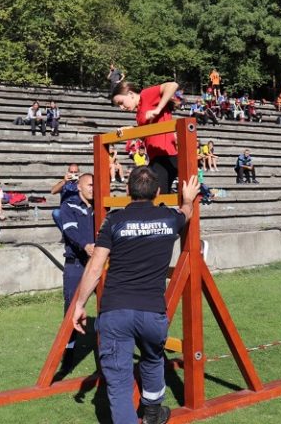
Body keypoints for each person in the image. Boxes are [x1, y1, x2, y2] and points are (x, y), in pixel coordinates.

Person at [71, 168, 199, 424]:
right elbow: (186, 213)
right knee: (152, 360)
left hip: (116, 311)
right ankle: (153, 413)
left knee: (118, 383)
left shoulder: (114, 220)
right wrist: (187, 199)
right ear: (158, 193)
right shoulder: (168, 217)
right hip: (152, 311)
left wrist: (79, 304)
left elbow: (95, 267)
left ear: (128, 191)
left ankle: (146, 414)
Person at [111, 81, 179, 193]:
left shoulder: (145, 95)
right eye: (119, 105)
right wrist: (131, 130)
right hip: (155, 158)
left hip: (166, 155)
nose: (122, 107)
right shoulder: (138, 114)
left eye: (121, 102)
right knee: (154, 197)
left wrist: (158, 109)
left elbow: (173, 85)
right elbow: (145, 136)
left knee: (154, 197)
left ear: (131, 94)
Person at [57, 173, 95, 374]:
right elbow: (71, 232)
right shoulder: (69, 206)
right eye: (89, 184)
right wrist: (85, 245)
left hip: (97, 264)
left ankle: (108, 351)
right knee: (71, 310)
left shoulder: (100, 207)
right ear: (79, 187)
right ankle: (67, 355)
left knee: (109, 305)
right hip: (77, 265)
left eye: (95, 184)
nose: (93, 188)